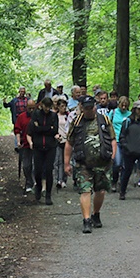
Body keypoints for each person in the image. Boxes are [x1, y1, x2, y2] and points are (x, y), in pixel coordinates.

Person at [65, 95, 117, 234]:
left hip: (103, 163)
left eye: (92, 107)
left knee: (100, 191)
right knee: (85, 190)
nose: (90, 110)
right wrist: (66, 163)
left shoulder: (104, 120)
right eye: (86, 108)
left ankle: (96, 214)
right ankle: (86, 220)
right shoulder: (76, 122)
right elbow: (69, 142)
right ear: (82, 108)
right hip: (83, 164)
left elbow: (112, 139)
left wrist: (112, 156)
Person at [29, 97, 58, 205]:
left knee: (49, 170)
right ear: (42, 106)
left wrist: (42, 128)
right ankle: (38, 187)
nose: (47, 109)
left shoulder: (53, 115)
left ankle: (48, 194)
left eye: (49, 107)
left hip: (50, 146)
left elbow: (54, 130)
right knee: (38, 170)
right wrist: (47, 128)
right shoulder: (36, 114)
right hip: (38, 146)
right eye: (46, 107)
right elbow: (34, 129)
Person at [13, 98, 37, 188]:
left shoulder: (38, 116)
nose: (31, 110)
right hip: (25, 145)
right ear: (26, 107)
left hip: (37, 145)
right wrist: (18, 142)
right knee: (26, 166)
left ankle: (36, 183)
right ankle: (28, 182)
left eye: (33, 108)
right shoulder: (21, 117)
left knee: (36, 166)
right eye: (29, 108)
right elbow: (17, 130)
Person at [109, 95, 131, 186]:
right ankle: (114, 180)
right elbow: (107, 124)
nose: (123, 107)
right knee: (117, 163)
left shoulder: (129, 114)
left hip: (126, 141)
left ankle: (122, 183)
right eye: (122, 105)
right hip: (116, 140)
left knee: (125, 164)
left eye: (125, 106)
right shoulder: (113, 112)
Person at [53, 96, 69, 189]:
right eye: (62, 106)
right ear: (58, 107)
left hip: (66, 140)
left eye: (64, 106)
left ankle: (63, 179)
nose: (64, 108)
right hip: (58, 140)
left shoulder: (68, 116)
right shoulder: (55, 116)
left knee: (65, 161)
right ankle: (58, 179)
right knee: (57, 161)